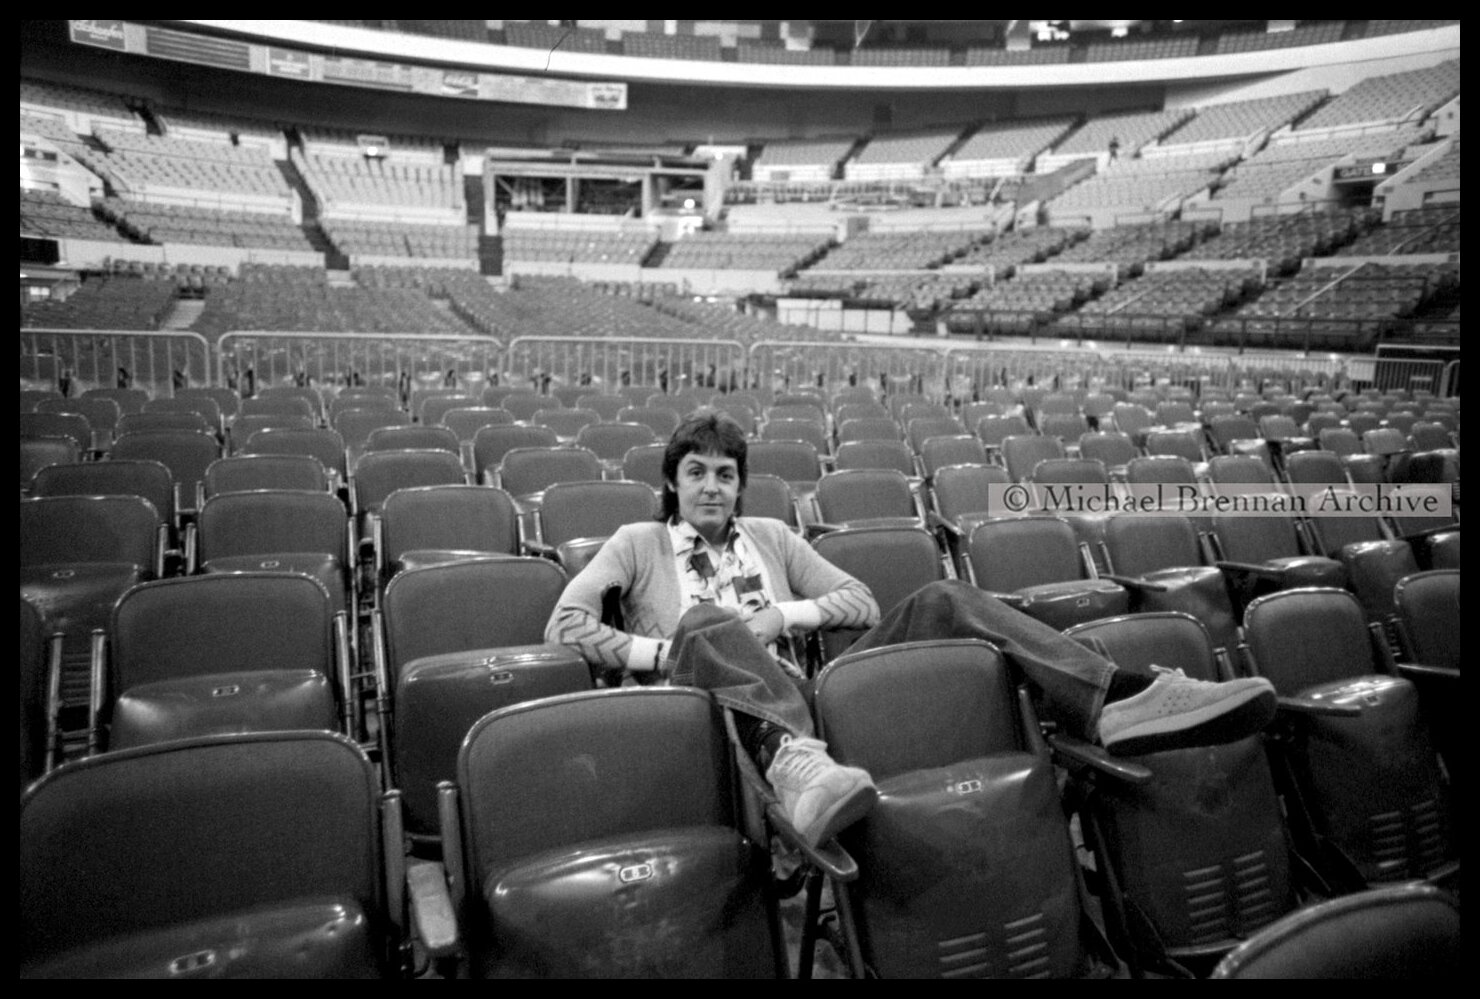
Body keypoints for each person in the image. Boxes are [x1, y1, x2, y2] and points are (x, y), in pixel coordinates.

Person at [546, 414, 1276, 847]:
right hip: (725, 715)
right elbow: (566, 623)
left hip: (813, 694)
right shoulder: (637, 543)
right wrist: (679, 645)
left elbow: (858, 601)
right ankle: (796, 765)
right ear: (673, 480)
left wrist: (783, 613)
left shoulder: (769, 533)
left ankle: (1117, 694)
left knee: (944, 596)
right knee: (709, 621)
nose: (712, 486)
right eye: (697, 472)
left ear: (741, 483)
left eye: (726, 474)